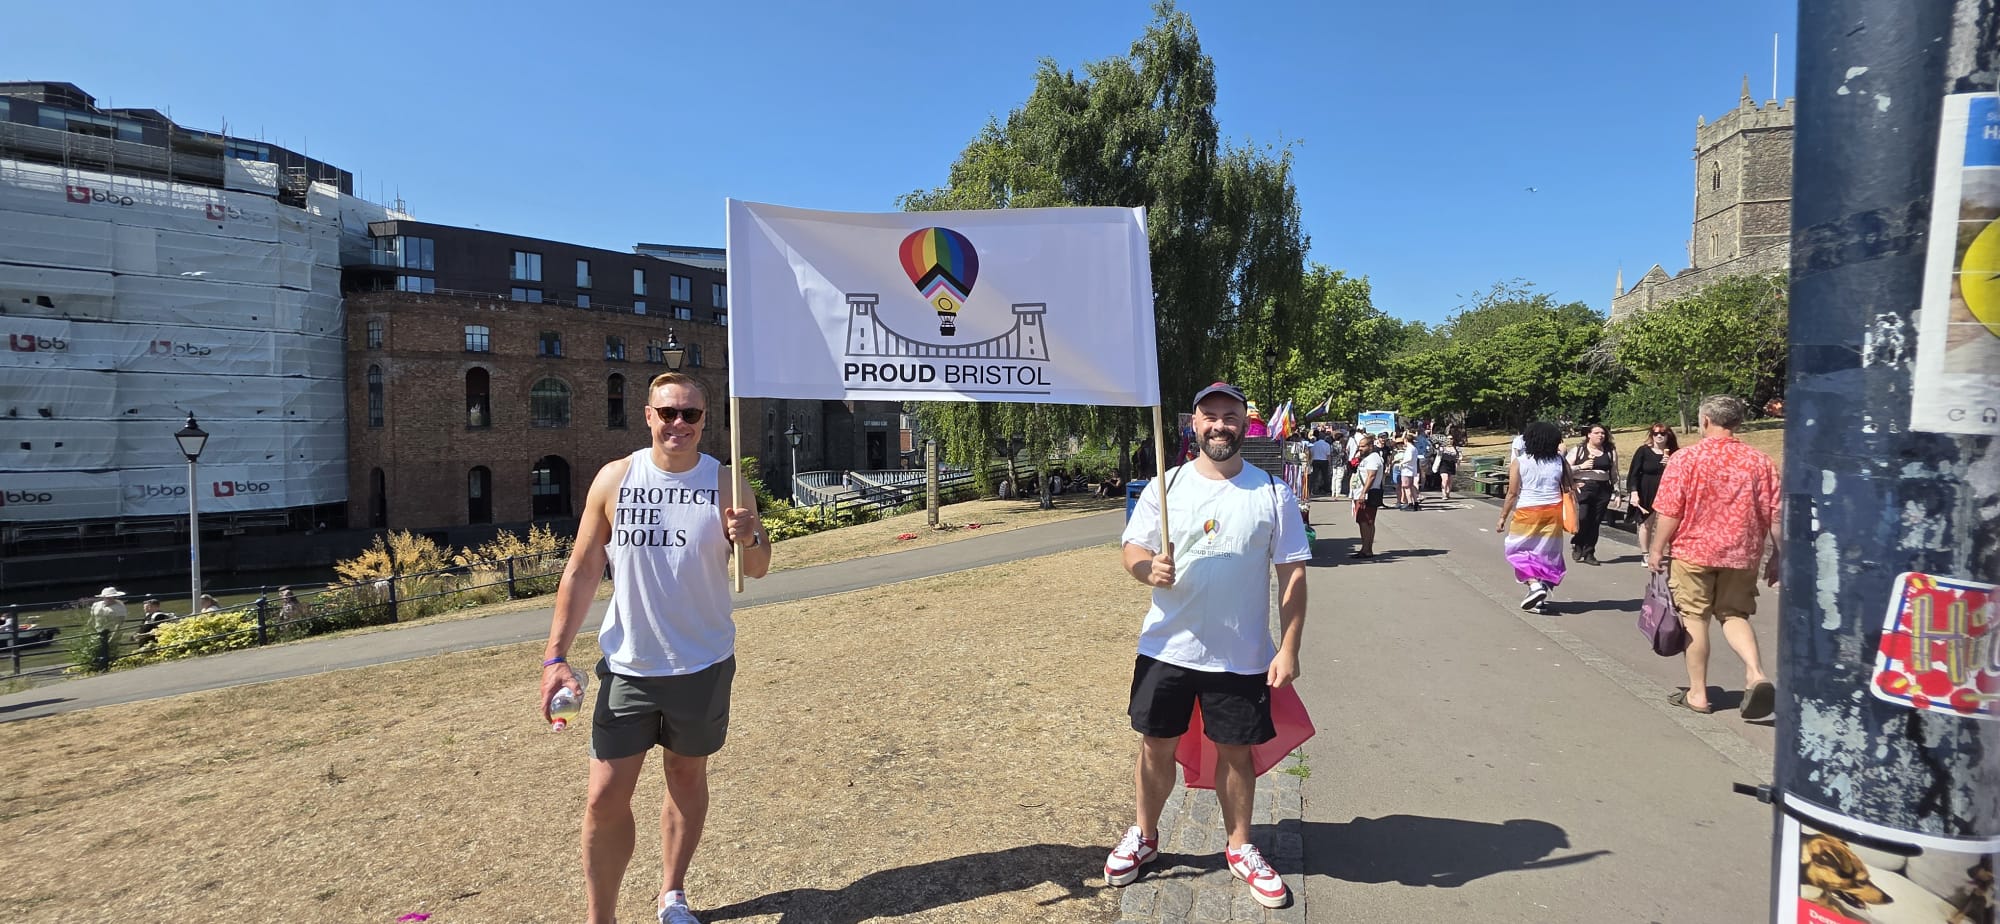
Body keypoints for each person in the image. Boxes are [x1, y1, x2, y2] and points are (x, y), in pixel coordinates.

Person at [539, 371, 772, 924]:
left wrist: (750, 535)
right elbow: (582, 570)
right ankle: (601, 918)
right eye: (668, 412)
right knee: (604, 797)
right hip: (630, 667)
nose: (678, 423)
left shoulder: (727, 483)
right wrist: (555, 657)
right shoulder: (616, 478)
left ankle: (672, 893)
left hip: (702, 664)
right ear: (648, 416)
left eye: (691, 414)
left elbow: (759, 567)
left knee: (686, 777)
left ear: (705, 420)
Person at [1106, 382, 1310, 911]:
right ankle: (1145, 836)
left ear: (1246, 425)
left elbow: (1292, 574)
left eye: (1230, 416)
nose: (1220, 425)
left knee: (1236, 753)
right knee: (1156, 745)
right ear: (1193, 424)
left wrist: (1288, 647)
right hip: (1166, 648)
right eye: (1210, 415)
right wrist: (1146, 569)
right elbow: (1132, 548)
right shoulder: (1166, 484)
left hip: (1240, 653)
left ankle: (1240, 846)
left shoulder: (1272, 493)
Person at [1648, 395, 1780, 720]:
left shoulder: (1686, 459)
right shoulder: (1760, 462)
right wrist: (1779, 555)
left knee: (1694, 617)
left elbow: (1670, 510)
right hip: (1742, 553)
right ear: (1738, 422)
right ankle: (1755, 673)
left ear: (1705, 420)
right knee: (1734, 615)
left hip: (1693, 550)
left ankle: (1698, 693)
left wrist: (1657, 547)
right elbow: (1775, 514)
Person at [1497, 421, 1571, 613]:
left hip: (1527, 511)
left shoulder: (1520, 461)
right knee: (1546, 553)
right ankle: (1540, 594)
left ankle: (1534, 585)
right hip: (1553, 511)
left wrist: (1503, 517)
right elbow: (1568, 486)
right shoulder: (1560, 461)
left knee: (1517, 551)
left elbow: (1512, 493)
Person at [1565, 424, 1618, 566]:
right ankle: (1578, 542)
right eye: (1596, 433)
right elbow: (1565, 469)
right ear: (1588, 434)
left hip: (1603, 488)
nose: (1600, 435)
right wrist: (1581, 466)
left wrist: (1617, 491)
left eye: (1603, 433)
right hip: (1584, 486)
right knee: (1583, 517)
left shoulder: (1610, 451)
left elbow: (1614, 472)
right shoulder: (1579, 450)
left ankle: (1589, 552)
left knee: (1595, 521)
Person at [1626, 424, 1679, 560]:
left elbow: (1681, 474)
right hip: (1647, 489)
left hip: (1668, 490)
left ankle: (1668, 553)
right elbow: (1634, 473)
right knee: (1646, 523)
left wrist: (1670, 464)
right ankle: (1645, 554)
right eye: (1656, 434)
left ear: (1668, 435)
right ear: (1652, 435)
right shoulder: (1643, 451)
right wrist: (1634, 492)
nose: (1659, 436)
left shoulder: (1675, 453)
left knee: (1669, 524)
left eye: (1663, 433)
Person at [1349, 432, 1386, 557]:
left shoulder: (1373, 458)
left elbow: (1371, 476)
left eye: (1363, 446)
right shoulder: (1367, 458)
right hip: (1364, 493)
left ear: (1370, 446)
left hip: (1368, 494)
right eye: (1359, 446)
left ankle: (1366, 549)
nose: (1360, 448)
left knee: (1365, 521)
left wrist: (1363, 493)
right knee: (1366, 521)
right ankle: (1367, 549)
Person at [1432, 435, 1461, 501]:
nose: (1449, 440)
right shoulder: (1442, 448)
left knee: (1450, 481)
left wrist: (1458, 462)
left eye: (1451, 439)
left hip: (1452, 464)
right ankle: (1444, 494)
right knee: (1445, 479)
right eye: (1448, 439)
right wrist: (1437, 446)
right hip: (1444, 464)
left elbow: (1459, 457)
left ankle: (1448, 493)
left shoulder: (1456, 448)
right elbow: (1437, 451)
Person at [1308, 429, 1333, 498]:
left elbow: (1311, 453)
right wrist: (1330, 464)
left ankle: (1311, 489)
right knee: (1325, 476)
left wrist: (1310, 461)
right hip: (1324, 461)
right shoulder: (1327, 445)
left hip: (1315, 460)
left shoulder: (1314, 444)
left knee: (1314, 476)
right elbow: (1328, 455)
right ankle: (1327, 490)